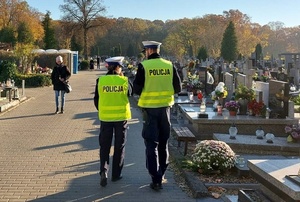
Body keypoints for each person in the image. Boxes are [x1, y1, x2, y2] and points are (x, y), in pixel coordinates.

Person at [133, 41, 182, 190]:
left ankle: (155, 178)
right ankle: (162, 172)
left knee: (151, 143)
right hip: (165, 109)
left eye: (145, 51)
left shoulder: (144, 66)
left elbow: (136, 89)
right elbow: (178, 87)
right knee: (163, 142)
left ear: (148, 51)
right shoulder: (169, 65)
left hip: (149, 110)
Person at [93, 56, 132, 187]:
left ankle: (104, 171)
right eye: (120, 67)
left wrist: (102, 109)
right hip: (121, 119)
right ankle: (116, 175)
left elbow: (96, 100)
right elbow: (132, 94)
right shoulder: (124, 81)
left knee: (104, 146)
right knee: (119, 146)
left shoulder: (101, 80)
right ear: (117, 67)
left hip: (105, 119)